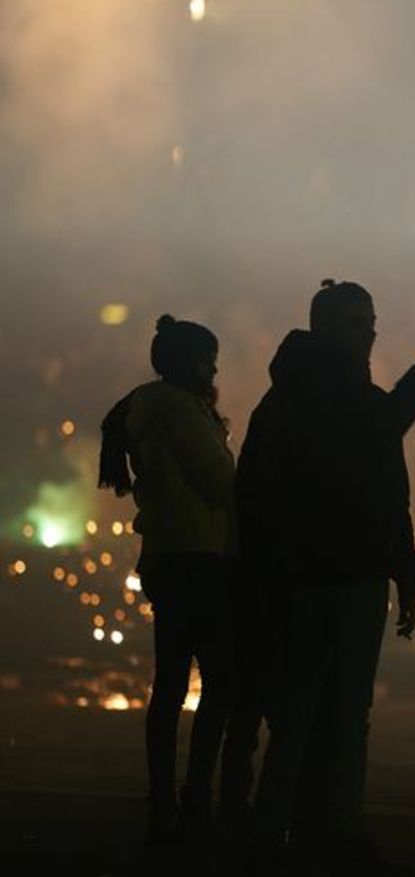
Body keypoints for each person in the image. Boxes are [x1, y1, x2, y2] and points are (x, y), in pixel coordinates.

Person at [237, 279, 415, 877]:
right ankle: (321, 836)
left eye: (371, 322)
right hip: (321, 577)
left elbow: (387, 484)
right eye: (357, 323)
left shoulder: (298, 395)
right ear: (325, 329)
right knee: (323, 714)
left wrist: (405, 576)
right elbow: (377, 443)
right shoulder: (316, 397)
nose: (369, 333)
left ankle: (292, 833)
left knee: (313, 713)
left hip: (333, 574)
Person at [99, 314, 243, 844]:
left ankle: (163, 801)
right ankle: (194, 803)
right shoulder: (181, 411)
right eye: (208, 360)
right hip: (199, 559)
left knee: (170, 686)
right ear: (188, 363)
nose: (213, 369)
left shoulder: (150, 408)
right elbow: (219, 480)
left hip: (168, 558)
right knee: (220, 684)